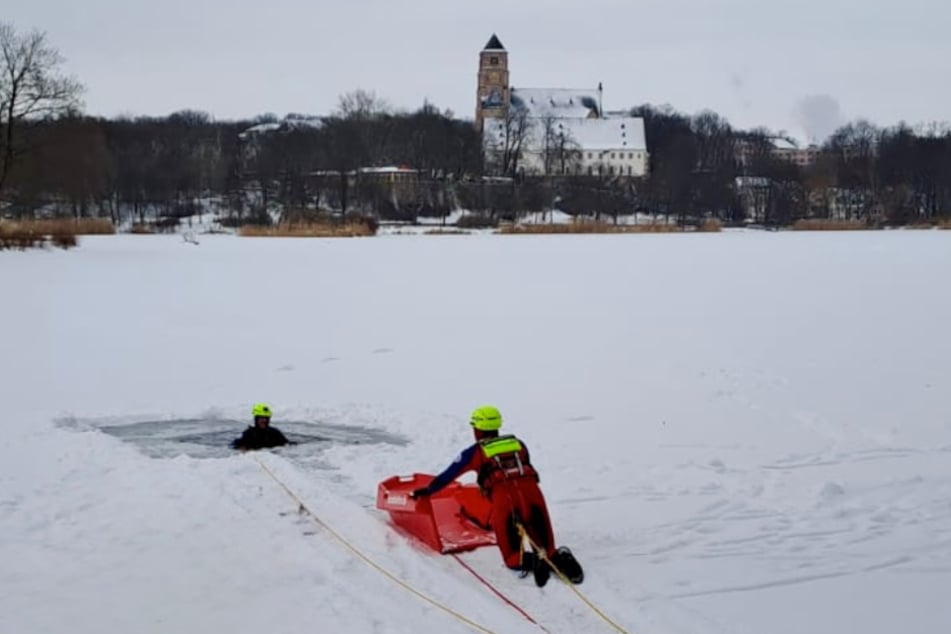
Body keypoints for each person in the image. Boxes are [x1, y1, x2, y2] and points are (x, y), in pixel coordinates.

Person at [410, 405, 583, 587]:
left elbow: (448, 475)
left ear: (477, 429)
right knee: (547, 548)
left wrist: (428, 490)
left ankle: (534, 562)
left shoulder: (475, 452)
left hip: (505, 503)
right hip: (534, 498)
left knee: (513, 558)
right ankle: (552, 558)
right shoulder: (519, 444)